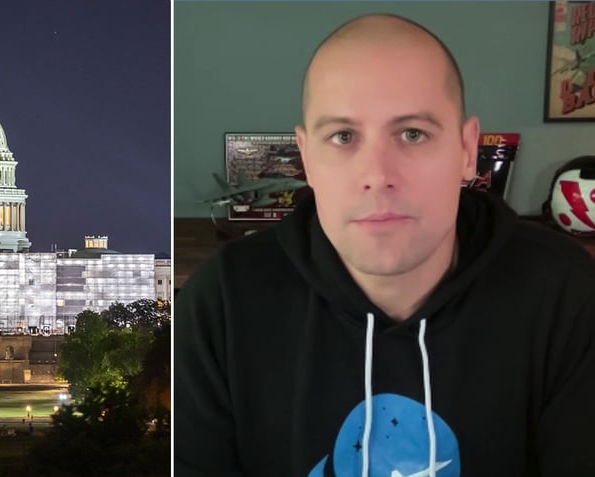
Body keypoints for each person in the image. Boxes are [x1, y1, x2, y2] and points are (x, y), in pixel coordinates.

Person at [174, 13, 595, 477]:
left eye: (413, 133)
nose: (377, 175)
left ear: (466, 149)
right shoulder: (224, 302)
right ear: (307, 157)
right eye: (343, 136)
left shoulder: (566, 294)